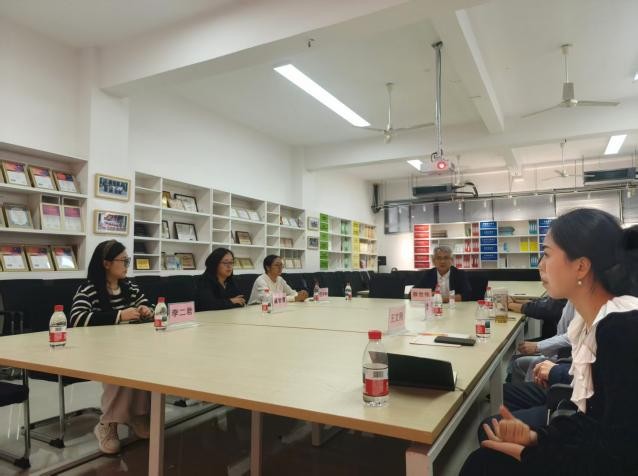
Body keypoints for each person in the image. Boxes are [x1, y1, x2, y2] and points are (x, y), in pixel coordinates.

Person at [461, 208, 638, 475]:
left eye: (546, 254)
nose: (540, 265)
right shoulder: (596, 323)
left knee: (481, 464)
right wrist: (537, 438)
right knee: (484, 458)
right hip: (592, 452)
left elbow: (619, 454)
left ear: (581, 266)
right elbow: (593, 421)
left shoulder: (620, 331)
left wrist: (533, 455)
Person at [70, 240, 153, 454]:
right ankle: (108, 423)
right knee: (120, 364)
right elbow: (77, 318)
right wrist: (119, 315)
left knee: (143, 361)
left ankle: (137, 415)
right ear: (106, 264)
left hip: (129, 346)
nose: (127, 265)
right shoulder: (89, 289)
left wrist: (147, 310)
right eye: (123, 260)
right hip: (98, 349)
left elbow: (149, 305)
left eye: (128, 260)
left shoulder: (129, 286)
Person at [510, 301, 574, 384]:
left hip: (568, 365)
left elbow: (547, 309)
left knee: (516, 363)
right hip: (565, 359)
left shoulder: (579, 304)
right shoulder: (571, 302)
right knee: (517, 361)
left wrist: (538, 346)